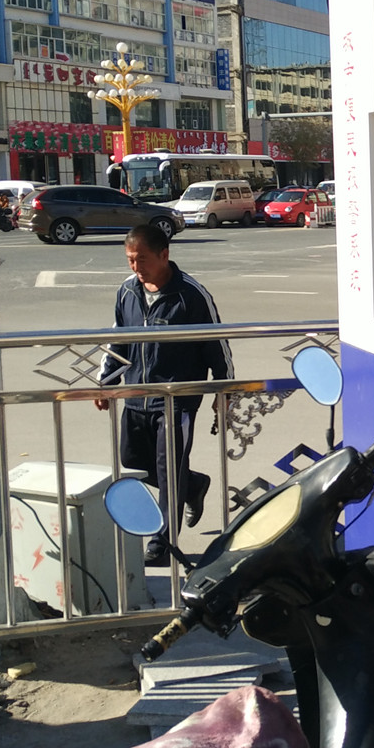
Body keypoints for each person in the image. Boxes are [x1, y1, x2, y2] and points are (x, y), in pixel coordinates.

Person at [95, 225, 233, 565]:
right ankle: (193, 485)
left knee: (169, 470)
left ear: (164, 255)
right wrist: (105, 383)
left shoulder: (190, 295)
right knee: (133, 461)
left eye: (142, 259)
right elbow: (118, 340)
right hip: (136, 394)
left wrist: (223, 389)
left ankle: (162, 542)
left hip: (176, 401)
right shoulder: (128, 291)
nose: (136, 267)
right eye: (130, 260)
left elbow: (217, 344)